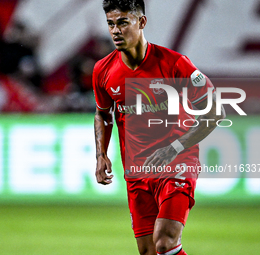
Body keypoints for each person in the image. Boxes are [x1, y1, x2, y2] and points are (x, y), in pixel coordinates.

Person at [92, 1, 225, 255]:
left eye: (122, 22)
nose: (115, 31)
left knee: (165, 241)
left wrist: (174, 148)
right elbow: (103, 114)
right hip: (137, 171)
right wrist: (101, 154)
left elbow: (214, 111)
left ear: (141, 22)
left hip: (177, 162)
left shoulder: (175, 64)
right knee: (150, 251)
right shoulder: (103, 70)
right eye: (110, 24)